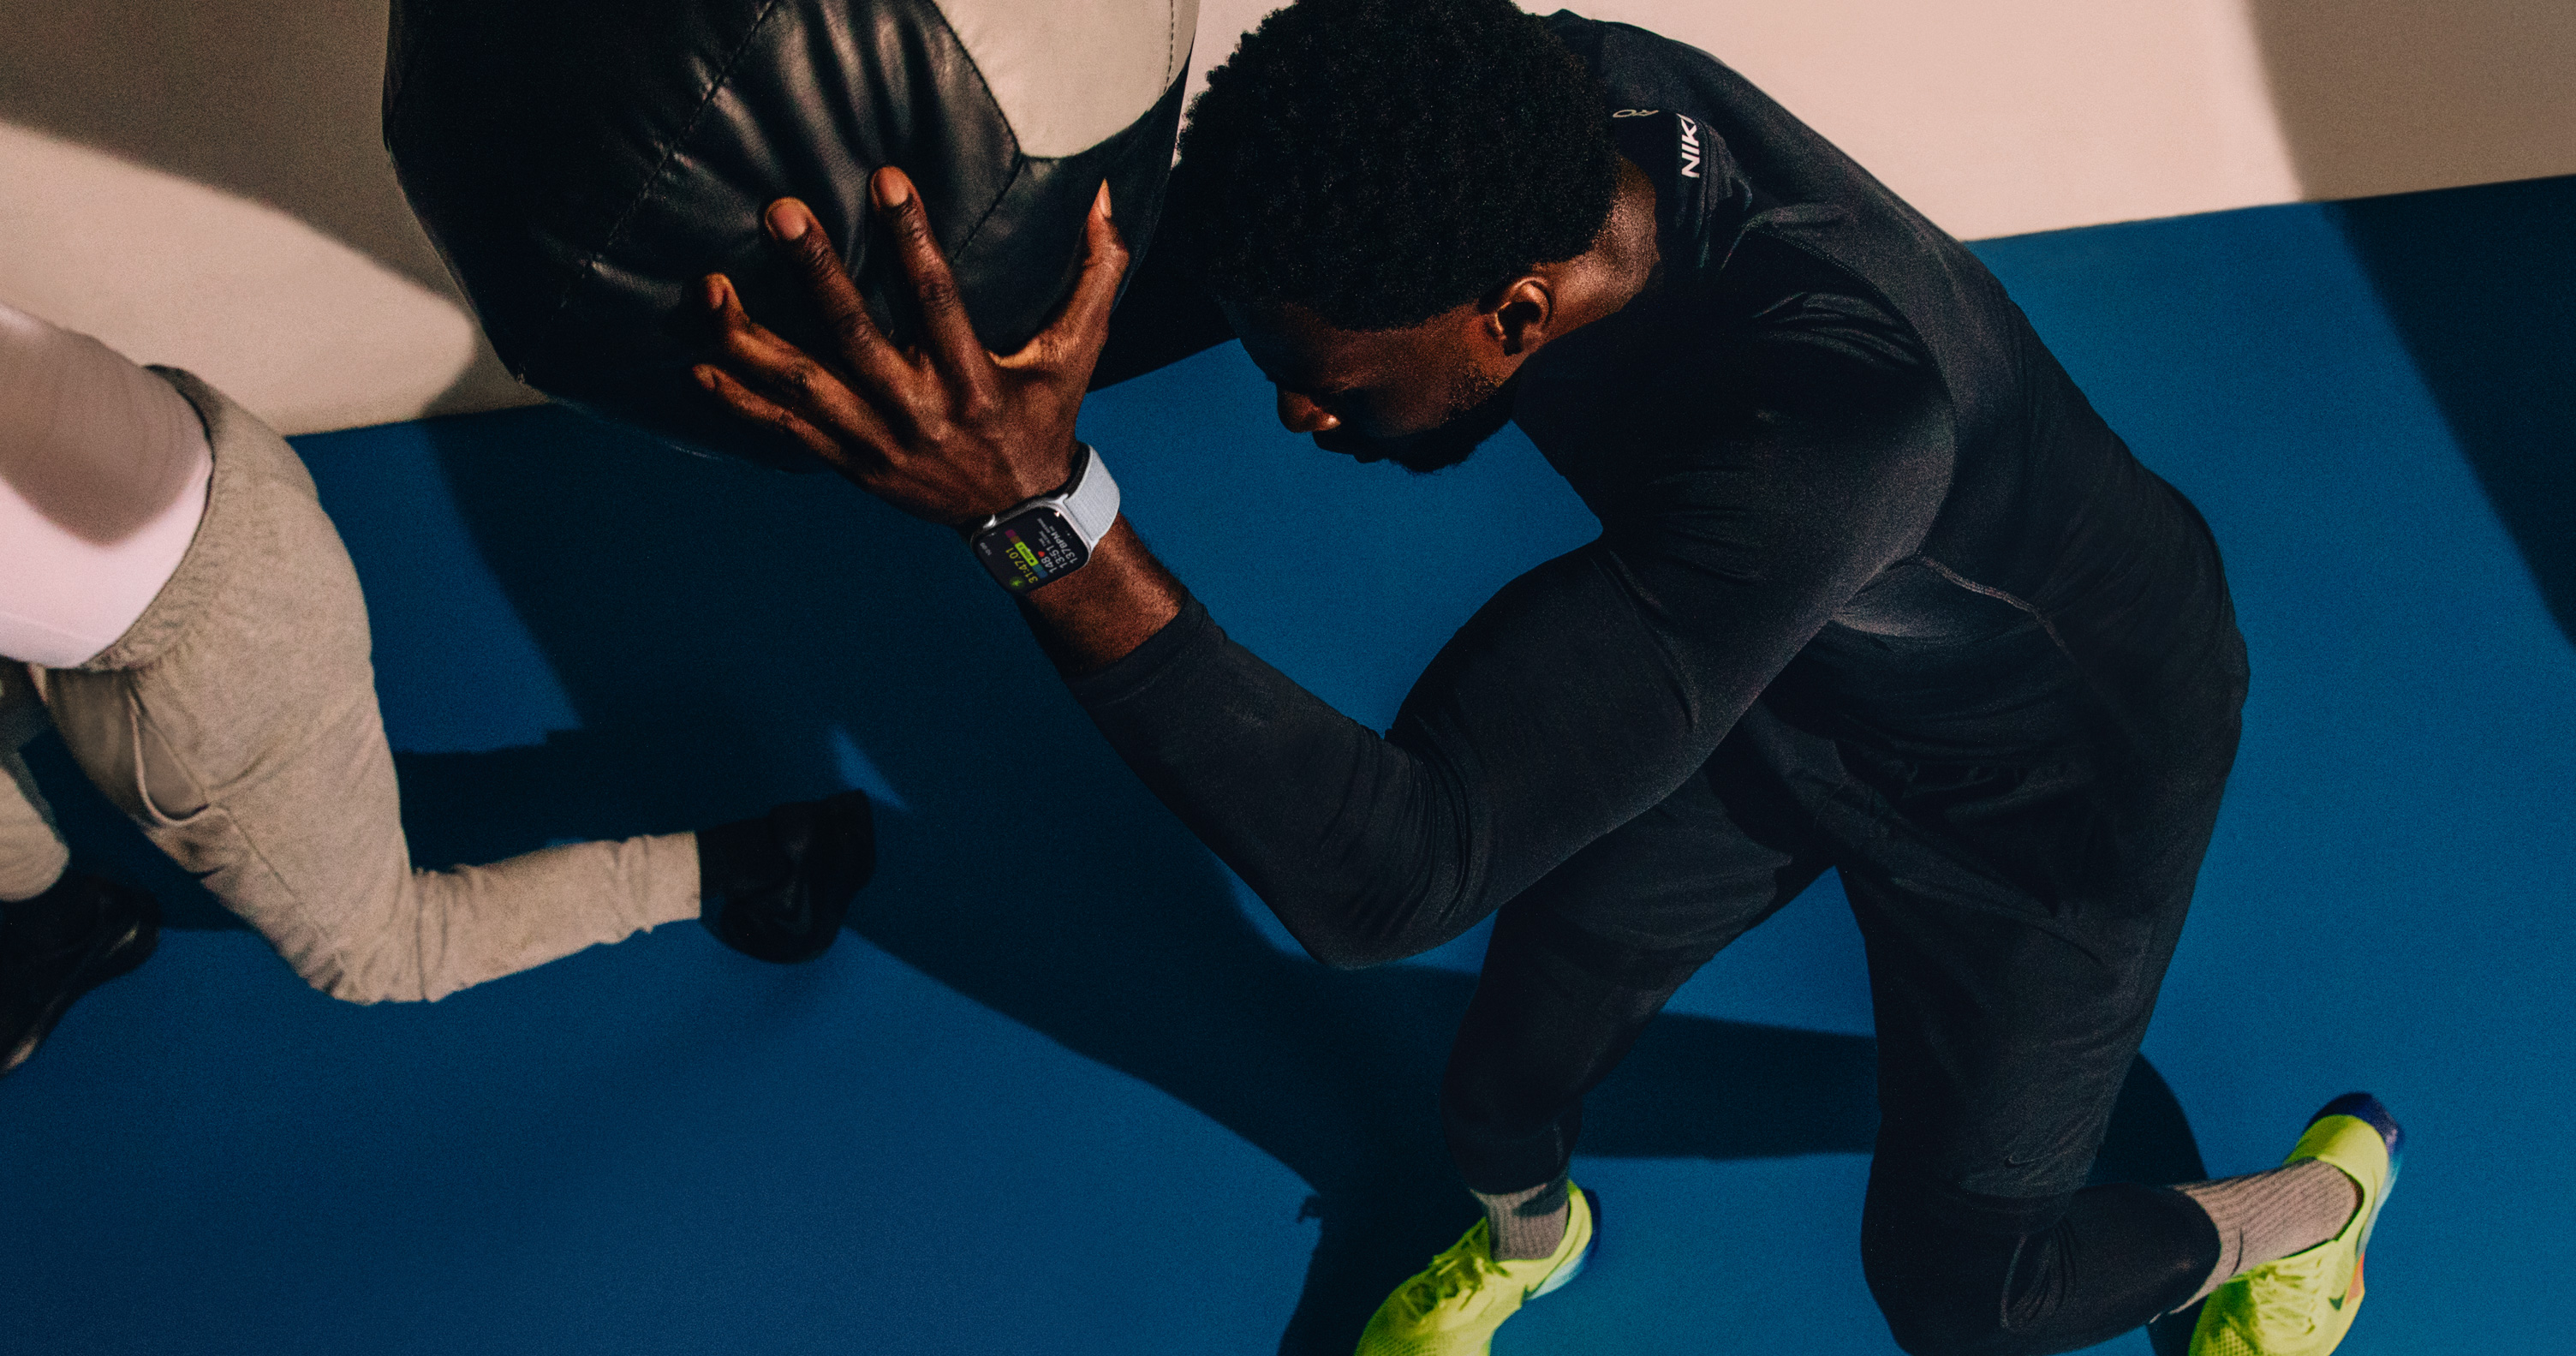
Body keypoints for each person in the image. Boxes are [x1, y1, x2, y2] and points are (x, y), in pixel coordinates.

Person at [689, 3, 2401, 1353]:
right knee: (1496, 1080)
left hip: (2047, 782)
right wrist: (884, 343)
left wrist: (1037, 517)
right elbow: (1196, 262)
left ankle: (2316, 1209)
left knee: (1962, 1292)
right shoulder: (1498, 123)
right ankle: (1532, 1245)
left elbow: (1389, 872)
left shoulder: (1834, 424)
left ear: (1515, 310)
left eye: (1326, 381)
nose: (1297, 410)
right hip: (1783, 677)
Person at [0, 300, 874, 1077]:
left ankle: (764, 858)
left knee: (377, 954)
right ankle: (60, 915)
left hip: (203, 656)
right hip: (217, 456)